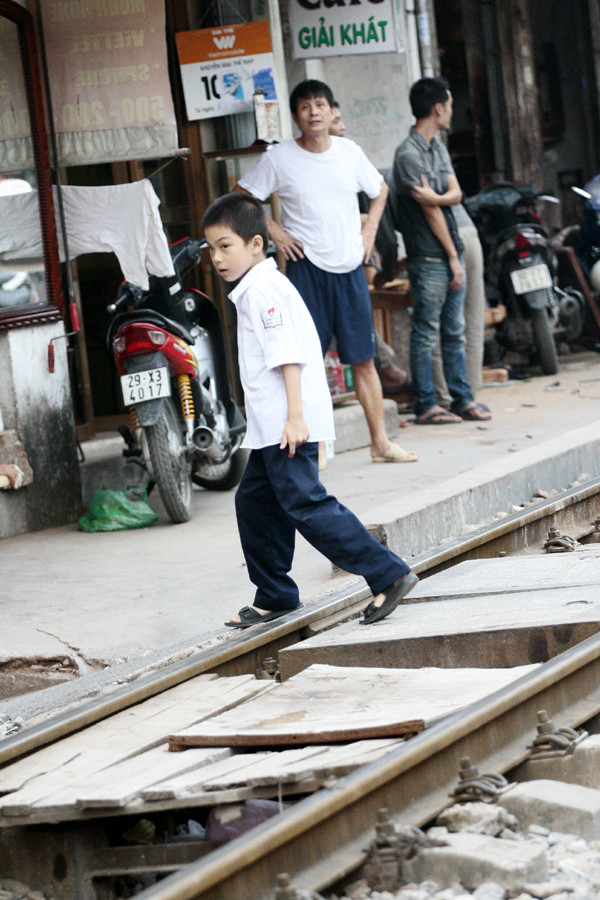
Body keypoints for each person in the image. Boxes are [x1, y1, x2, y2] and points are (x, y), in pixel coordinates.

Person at [202, 193, 418, 627]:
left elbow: (288, 357)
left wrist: (296, 417)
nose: (216, 257)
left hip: (287, 424)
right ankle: (276, 594)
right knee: (254, 501)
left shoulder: (263, 290)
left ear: (257, 244)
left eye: (225, 246)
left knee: (305, 503)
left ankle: (387, 573)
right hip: (271, 426)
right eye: (211, 248)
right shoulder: (256, 287)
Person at [233, 79, 417, 463]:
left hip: (349, 267)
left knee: (364, 358)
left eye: (320, 104)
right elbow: (241, 196)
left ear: (333, 111)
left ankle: (380, 443)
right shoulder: (280, 157)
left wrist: (369, 230)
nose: (313, 112)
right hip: (305, 269)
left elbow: (380, 189)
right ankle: (309, 451)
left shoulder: (349, 152)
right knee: (305, 361)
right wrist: (275, 230)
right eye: (304, 106)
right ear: (296, 116)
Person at [388, 77, 491, 424]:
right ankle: (427, 404)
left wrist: (440, 197)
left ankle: (462, 399)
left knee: (454, 330)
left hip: (448, 253)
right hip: (430, 256)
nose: (450, 112)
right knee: (426, 332)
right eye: (448, 105)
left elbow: (454, 193)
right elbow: (430, 211)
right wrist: (451, 256)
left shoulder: (437, 147)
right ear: (437, 108)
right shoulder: (408, 154)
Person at [328, 103, 412, 395]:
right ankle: (386, 370)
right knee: (351, 326)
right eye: (337, 121)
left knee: (358, 330)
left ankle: (385, 374)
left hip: (354, 260)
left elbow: (381, 223)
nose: (343, 126)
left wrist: (379, 264)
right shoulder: (318, 168)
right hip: (323, 263)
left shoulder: (351, 160)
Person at [431, 201, 486, 407]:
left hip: (440, 239)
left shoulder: (377, 190)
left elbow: (389, 241)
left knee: (432, 325)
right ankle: (469, 397)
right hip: (468, 231)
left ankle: (444, 399)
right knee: (472, 320)